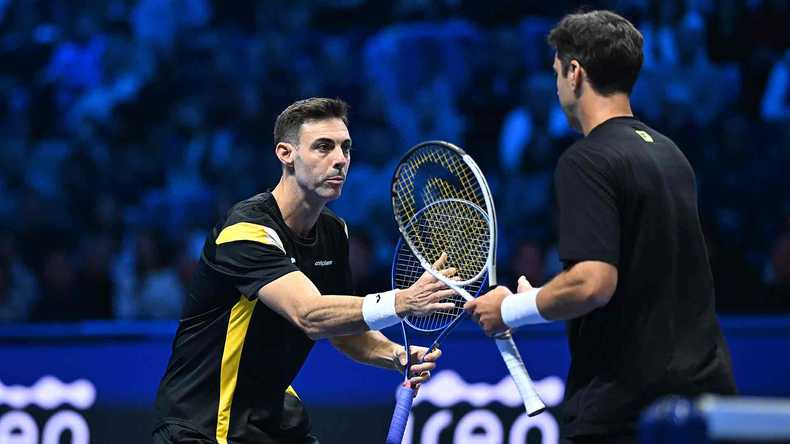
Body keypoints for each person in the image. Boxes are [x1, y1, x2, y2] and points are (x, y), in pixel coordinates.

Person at [464, 11, 737, 444]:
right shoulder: (670, 154)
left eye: (556, 73)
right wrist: (535, 296)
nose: (556, 87)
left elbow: (593, 283)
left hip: (626, 411)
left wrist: (510, 310)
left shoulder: (586, 160)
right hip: (703, 401)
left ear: (575, 73)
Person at [153, 98, 456, 444]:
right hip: (204, 424)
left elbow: (342, 330)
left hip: (270, 421)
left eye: (346, 148)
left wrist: (395, 355)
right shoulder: (246, 231)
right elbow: (309, 315)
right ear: (286, 154)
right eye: (323, 147)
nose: (340, 160)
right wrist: (400, 302)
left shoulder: (333, 232)